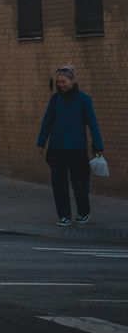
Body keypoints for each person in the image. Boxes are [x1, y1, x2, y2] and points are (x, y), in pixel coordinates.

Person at [36, 63, 104, 227]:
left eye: (63, 82)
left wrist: (98, 147)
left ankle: (83, 212)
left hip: (77, 149)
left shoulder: (83, 100)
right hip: (57, 149)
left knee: (80, 183)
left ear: (72, 81)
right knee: (59, 184)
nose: (60, 84)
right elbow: (47, 122)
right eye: (58, 82)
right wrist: (41, 142)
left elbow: (92, 124)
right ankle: (64, 215)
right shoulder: (55, 100)